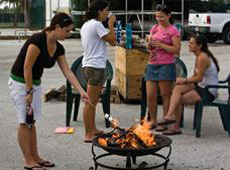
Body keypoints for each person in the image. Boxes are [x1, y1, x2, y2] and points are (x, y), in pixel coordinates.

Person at [8, 12, 88, 170]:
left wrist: (81, 91)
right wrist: (29, 91)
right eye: (67, 30)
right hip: (20, 82)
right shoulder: (37, 40)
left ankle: (36, 157)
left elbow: (68, 72)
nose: (69, 33)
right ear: (57, 27)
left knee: (32, 121)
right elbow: (27, 67)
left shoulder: (59, 48)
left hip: (35, 83)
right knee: (24, 121)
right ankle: (28, 161)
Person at [157, 33, 220, 135]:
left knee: (179, 98)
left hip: (208, 90)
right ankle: (169, 116)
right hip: (201, 85)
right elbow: (196, 78)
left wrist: (184, 81)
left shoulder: (202, 58)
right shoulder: (198, 56)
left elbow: (198, 78)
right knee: (177, 89)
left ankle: (175, 125)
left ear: (199, 46)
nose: (189, 45)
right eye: (189, 43)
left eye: (192, 44)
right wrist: (182, 81)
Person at [80, 0, 116, 142]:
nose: (107, 14)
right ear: (99, 11)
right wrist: (111, 25)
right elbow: (113, 41)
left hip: (89, 65)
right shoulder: (97, 25)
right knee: (90, 103)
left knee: (93, 101)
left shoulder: (87, 25)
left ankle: (92, 129)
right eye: (106, 10)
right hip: (95, 67)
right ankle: (88, 134)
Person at [145, 4, 181, 131]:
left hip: (166, 64)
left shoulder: (173, 30)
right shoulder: (154, 28)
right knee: (150, 95)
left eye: (161, 17)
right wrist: (149, 44)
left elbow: (176, 49)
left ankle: (166, 120)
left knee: (165, 95)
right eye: (157, 16)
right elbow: (148, 47)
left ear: (168, 16)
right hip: (152, 64)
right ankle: (153, 120)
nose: (159, 19)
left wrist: (161, 44)